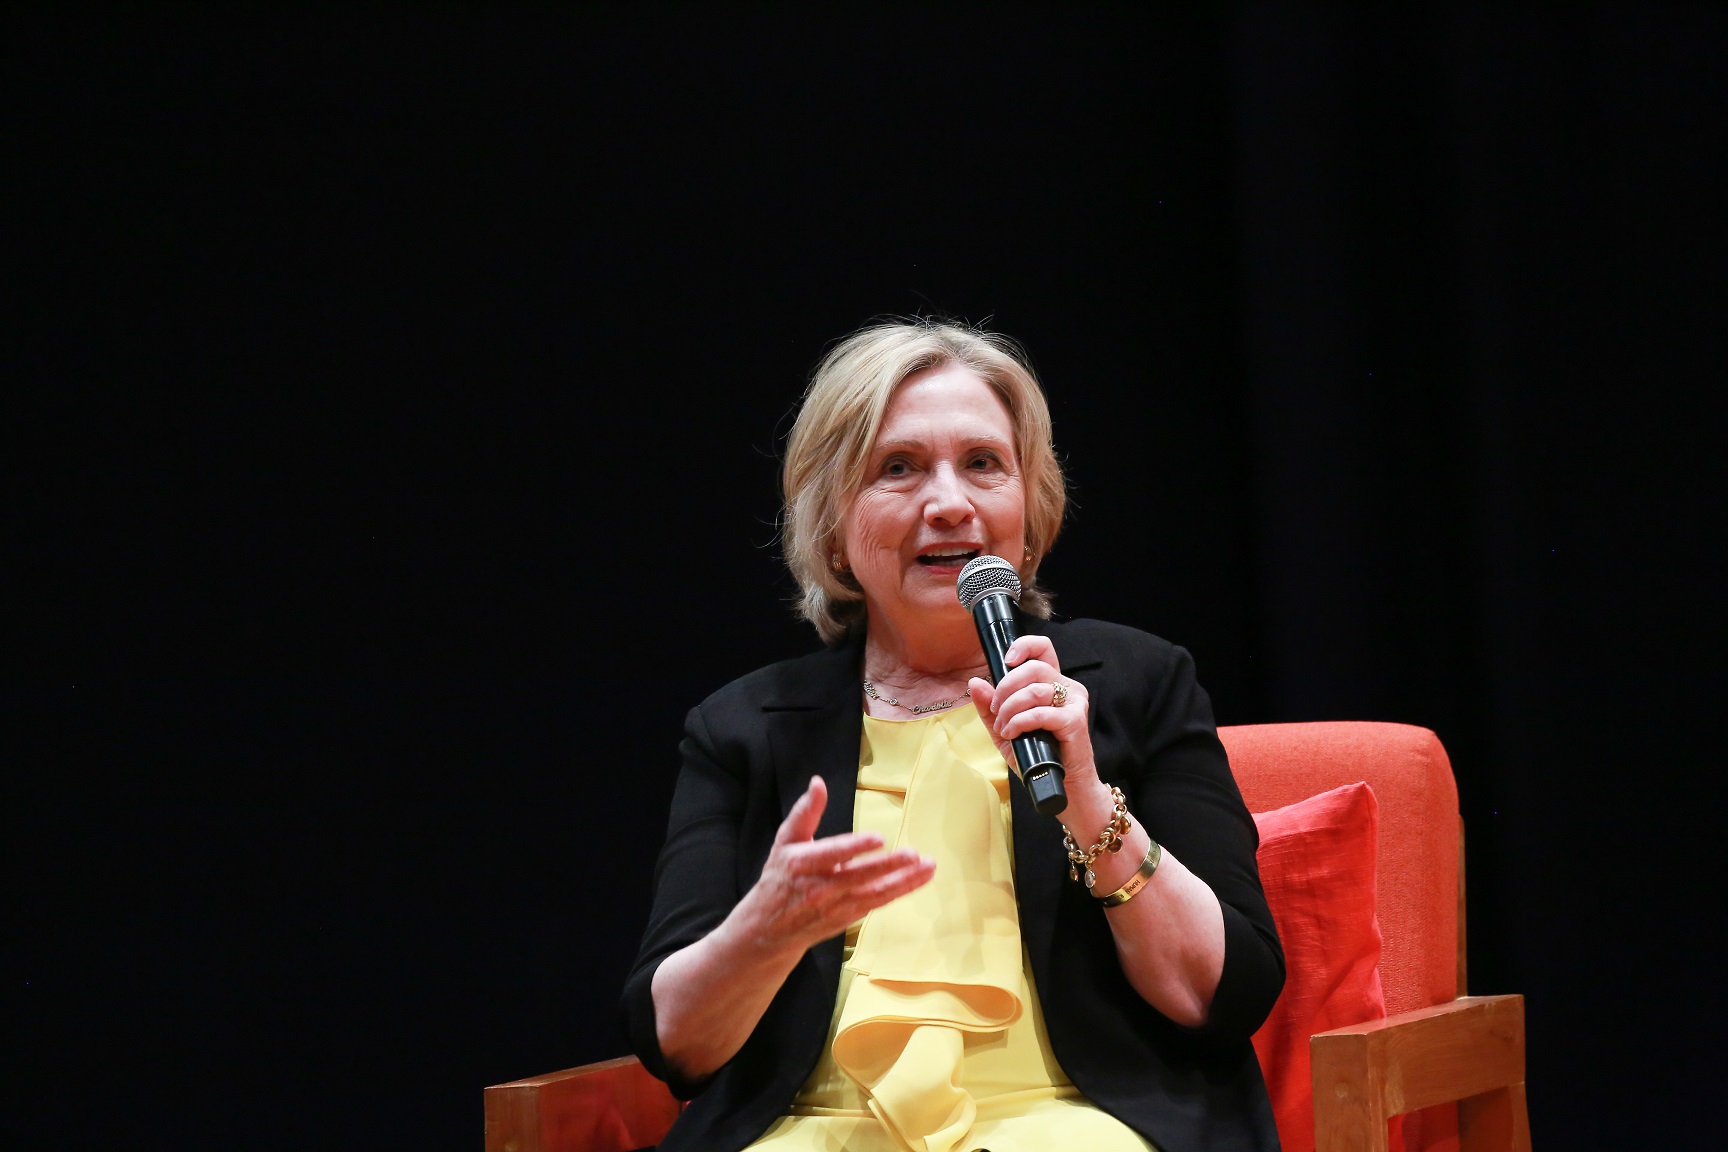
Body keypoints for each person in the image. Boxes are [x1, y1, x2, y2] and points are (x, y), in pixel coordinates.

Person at [622, 321, 1284, 1152]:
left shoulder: (1137, 685)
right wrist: (767, 930)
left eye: (983, 464)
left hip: (1076, 1125)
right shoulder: (742, 728)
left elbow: (1219, 996)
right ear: (833, 517)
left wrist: (1088, 806)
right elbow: (675, 1044)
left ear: (1027, 505)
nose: (949, 503)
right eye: (898, 468)